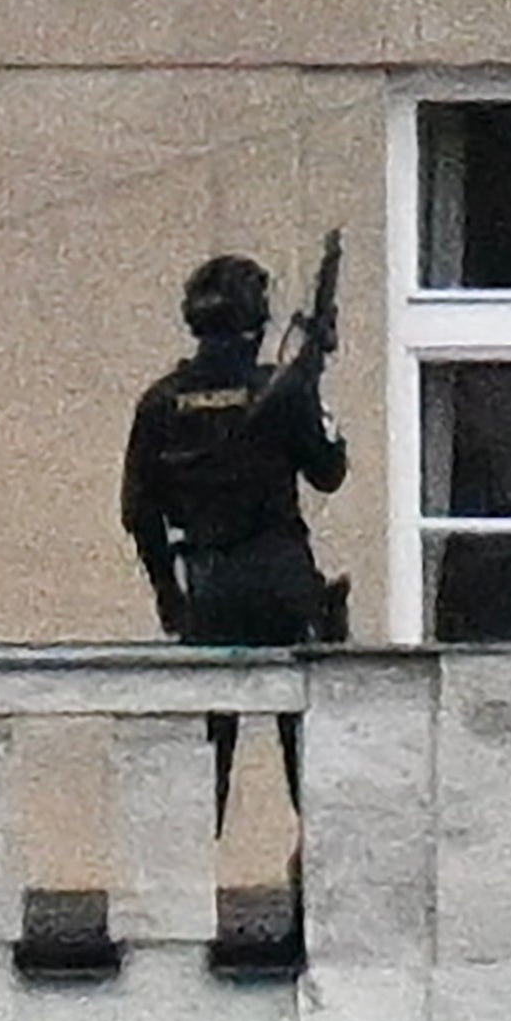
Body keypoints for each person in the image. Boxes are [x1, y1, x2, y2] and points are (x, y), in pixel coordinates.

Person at [124, 250, 348, 825]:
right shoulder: (279, 390)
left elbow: (138, 511)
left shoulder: (161, 402)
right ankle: (316, 907)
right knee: (315, 768)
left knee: (201, 772)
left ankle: (185, 904)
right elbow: (330, 471)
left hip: (208, 586)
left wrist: (167, 594)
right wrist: (316, 395)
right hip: (283, 584)